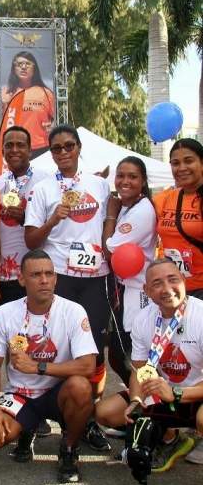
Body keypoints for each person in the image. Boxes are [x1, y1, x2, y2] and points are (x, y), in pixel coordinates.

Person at [24, 124, 111, 452]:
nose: (63, 153)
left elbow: (112, 210)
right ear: (51, 152)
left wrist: (109, 236)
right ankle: (41, 411)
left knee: (92, 351)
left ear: (78, 147)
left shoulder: (99, 185)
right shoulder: (44, 190)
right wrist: (52, 220)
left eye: (69, 146)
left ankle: (85, 419)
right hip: (59, 278)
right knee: (55, 347)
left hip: (94, 279)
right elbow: (31, 239)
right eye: (57, 148)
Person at [0, 250, 97, 483]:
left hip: (57, 394)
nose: (44, 280)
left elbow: (88, 366)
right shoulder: (5, 313)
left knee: (81, 387)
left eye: (49, 274)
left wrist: (38, 367)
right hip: (20, 394)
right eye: (35, 274)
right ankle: (27, 429)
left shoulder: (74, 311)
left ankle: (68, 449)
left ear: (56, 278)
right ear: (22, 280)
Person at [95, 259, 203, 472]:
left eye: (172, 280)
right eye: (157, 283)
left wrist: (176, 393)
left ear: (183, 280)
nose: (166, 289)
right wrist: (135, 399)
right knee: (104, 412)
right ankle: (172, 440)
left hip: (194, 395)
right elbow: (138, 368)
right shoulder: (143, 319)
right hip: (164, 394)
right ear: (147, 290)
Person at [0, 126, 50, 436]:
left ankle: (38, 406)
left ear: (31, 149)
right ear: (3, 150)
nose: (15, 150)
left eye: (21, 145)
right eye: (9, 145)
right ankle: (16, 399)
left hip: (37, 274)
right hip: (5, 276)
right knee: (9, 342)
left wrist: (26, 212)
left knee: (39, 341)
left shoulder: (44, 182)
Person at [102, 157, 157, 387]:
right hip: (122, 290)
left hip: (137, 291)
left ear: (143, 181)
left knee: (132, 355)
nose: (125, 181)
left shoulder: (141, 211)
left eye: (132, 177)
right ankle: (141, 403)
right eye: (120, 176)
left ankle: (151, 407)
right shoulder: (129, 206)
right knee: (117, 354)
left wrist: (111, 214)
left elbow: (108, 250)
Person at [154, 138, 203, 300]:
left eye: (188, 161)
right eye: (175, 163)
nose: (182, 168)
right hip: (174, 290)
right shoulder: (166, 199)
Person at [0, 51, 55, 159]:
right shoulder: (5, 93)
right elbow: (3, 126)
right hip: (16, 150)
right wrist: (4, 106)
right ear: (14, 68)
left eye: (28, 64)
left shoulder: (46, 93)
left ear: (34, 68)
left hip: (42, 149)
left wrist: (53, 126)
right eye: (19, 64)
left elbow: (55, 120)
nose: (24, 67)